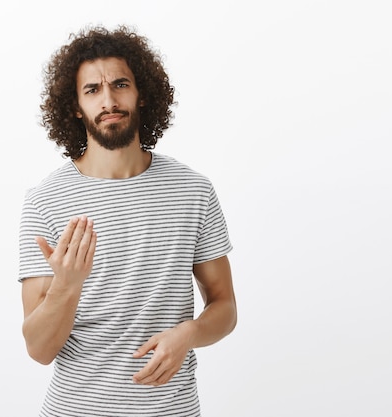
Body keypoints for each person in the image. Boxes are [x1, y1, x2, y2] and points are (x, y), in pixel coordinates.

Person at [18, 25, 237, 417]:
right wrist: (67, 286)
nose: (109, 100)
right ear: (74, 106)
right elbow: (39, 349)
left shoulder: (193, 191)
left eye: (120, 84)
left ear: (141, 93)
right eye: (92, 90)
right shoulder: (45, 201)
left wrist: (189, 334)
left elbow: (224, 306)